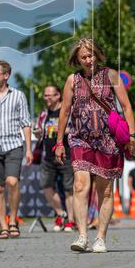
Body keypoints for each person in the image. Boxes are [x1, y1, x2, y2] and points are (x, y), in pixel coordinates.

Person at [54, 38, 135, 252]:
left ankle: (100, 238)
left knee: (106, 190)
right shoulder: (72, 80)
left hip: (107, 140)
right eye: (84, 57)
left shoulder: (111, 75)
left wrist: (132, 135)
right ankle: (82, 236)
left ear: (98, 55)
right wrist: (59, 142)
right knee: (80, 185)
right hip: (80, 138)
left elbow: (126, 107)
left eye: (91, 55)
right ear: (77, 59)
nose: (88, 60)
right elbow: (64, 112)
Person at [0, 60, 32, 239]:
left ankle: (13, 219)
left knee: (12, 182)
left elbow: (26, 123)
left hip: (14, 145)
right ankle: (3, 226)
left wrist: (28, 149)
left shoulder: (18, 95)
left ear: (6, 75)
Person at [34, 85, 75, 231]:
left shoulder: (66, 111)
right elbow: (39, 131)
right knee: (46, 186)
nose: (47, 98)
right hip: (48, 157)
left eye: (50, 95)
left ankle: (71, 220)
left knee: (69, 189)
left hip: (67, 155)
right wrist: (38, 133)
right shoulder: (44, 114)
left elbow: (75, 130)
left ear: (58, 96)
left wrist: (64, 130)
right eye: (45, 95)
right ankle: (61, 214)